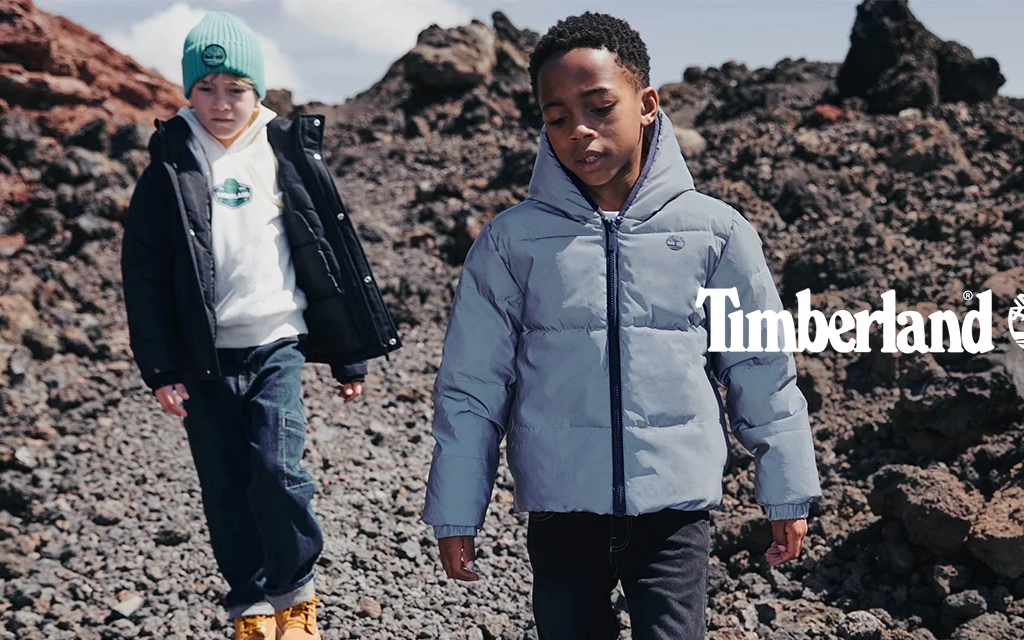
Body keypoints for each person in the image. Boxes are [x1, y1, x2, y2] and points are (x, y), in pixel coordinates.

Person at [421, 11, 822, 639]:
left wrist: (787, 489)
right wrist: (455, 512)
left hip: (672, 511)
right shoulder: (511, 243)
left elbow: (761, 370)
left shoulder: (715, 234)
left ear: (648, 104)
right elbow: (473, 388)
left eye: (600, 107)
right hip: (562, 509)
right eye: (556, 118)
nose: (579, 131)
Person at [120, 11, 400, 640]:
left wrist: (349, 354)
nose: (222, 103)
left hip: (277, 344)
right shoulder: (169, 166)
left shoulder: (285, 153)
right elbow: (143, 276)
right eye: (207, 88)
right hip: (203, 357)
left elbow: (329, 256)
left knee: (277, 474)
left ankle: (295, 597)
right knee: (225, 486)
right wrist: (161, 367)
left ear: (260, 91)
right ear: (187, 91)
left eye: (237, 88)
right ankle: (248, 604)